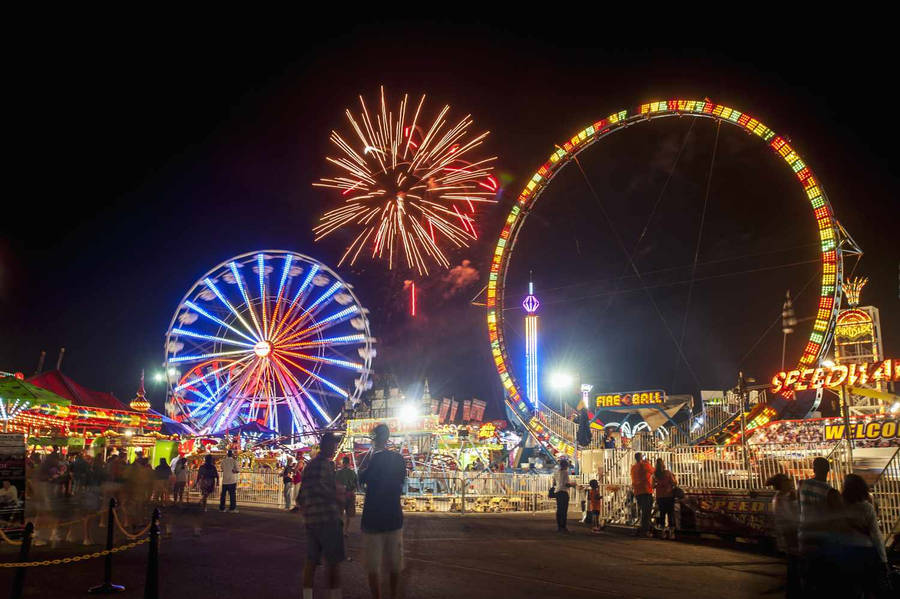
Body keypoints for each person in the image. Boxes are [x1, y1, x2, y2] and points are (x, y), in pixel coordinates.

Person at [359, 423, 407, 599]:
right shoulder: (399, 459)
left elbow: (362, 478)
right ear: (387, 438)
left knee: (373, 566)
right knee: (395, 565)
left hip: (373, 520)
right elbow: (402, 480)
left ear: (374, 439)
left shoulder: (374, 459)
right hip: (394, 517)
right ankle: (393, 595)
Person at [301, 432, 344, 599]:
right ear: (327, 445)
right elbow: (324, 490)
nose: (335, 449)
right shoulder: (325, 465)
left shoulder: (309, 466)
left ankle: (307, 596)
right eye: (333, 445)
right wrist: (339, 493)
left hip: (312, 521)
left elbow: (302, 496)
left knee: (311, 562)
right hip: (328, 520)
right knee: (333, 564)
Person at [840, 473, 889, 596]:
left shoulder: (839, 507)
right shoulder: (866, 508)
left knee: (851, 589)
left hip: (844, 552)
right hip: (864, 553)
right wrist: (883, 559)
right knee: (868, 588)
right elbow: (875, 535)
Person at [797, 457, 834, 594]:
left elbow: (798, 506)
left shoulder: (801, 484)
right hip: (821, 534)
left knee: (806, 570)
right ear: (828, 470)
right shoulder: (829, 490)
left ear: (813, 469)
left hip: (804, 531)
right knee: (820, 571)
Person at [767, 473, 800, 598]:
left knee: (793, 569)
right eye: (787, 480)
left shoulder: (784, 497)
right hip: (791, 537)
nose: (790, 482)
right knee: (795, 569)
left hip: (790, 536)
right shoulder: (781, 499)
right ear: (782, 484)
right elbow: (790, 519)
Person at [653, 458, 677, 540]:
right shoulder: (668, 473)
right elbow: (674, 482)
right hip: (669, 495)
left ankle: (663, 532)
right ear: (663, 464)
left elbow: (653, 485)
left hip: (660, 497)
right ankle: (671, 533)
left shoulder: (655, 475)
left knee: (662, 514)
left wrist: (658, 485)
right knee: (670, 514)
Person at [630, 452, 654, 537]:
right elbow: (653, 471)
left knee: (643, 511)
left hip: (637, 491)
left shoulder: (633, 467)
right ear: (641, 458)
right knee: (647, 511)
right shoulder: (644, 465)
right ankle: (645, 530)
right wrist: (647, 462)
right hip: (646, 490)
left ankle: (645, 527)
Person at [335, 456, 358, 535]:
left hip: (340, 495)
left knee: (340, 513)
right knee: (348, 514)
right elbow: (356, 485)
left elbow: (334, 483)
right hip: (350, 494)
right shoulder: (353, 473)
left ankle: (340, 530)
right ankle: (346, 531)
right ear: (349, 463)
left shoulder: (338, 472)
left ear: (342, 463)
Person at [553, 458, 575, 533]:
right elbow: (566, 484)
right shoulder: (565, 472)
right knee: (564, 510)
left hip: (558, 492)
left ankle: (559, 526)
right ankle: (563, 527)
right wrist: (573, 484)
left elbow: (554, 482)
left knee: (559, 510)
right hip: (563, 492)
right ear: (566, 465)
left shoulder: (556, 472)